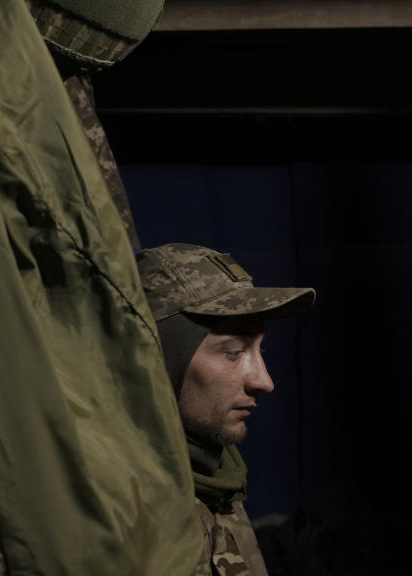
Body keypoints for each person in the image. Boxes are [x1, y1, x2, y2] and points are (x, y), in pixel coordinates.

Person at [136, 243, 315, 576]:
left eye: (259, 349)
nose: (264, 381)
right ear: (157, 361)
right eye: (234, 352)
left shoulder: (219, 482)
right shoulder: (111, 513)